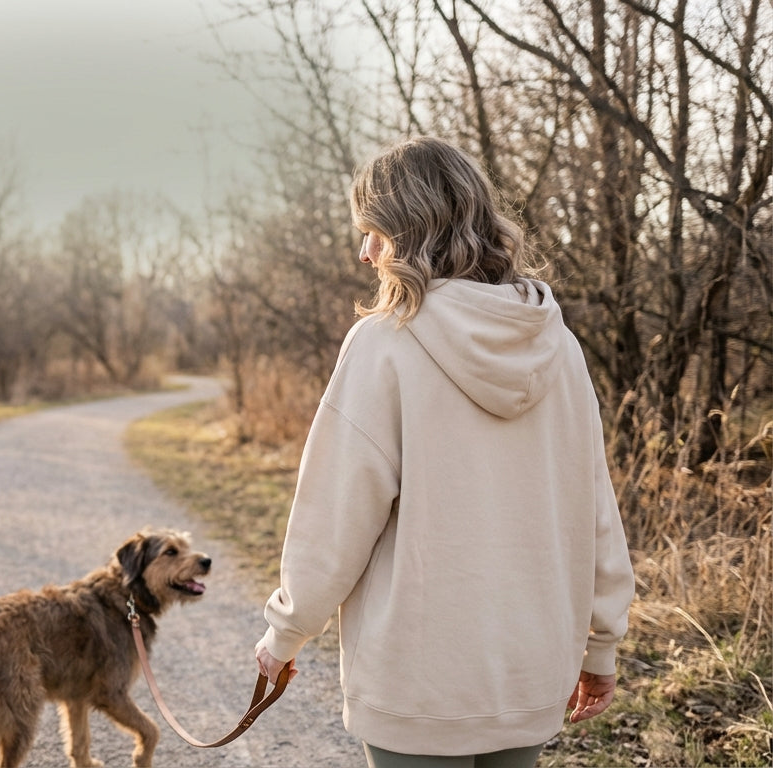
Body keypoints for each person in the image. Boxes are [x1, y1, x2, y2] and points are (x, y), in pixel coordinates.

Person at [252, 136, 635, 768]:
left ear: (409, 230)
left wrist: (286, 632)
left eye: (373, 231)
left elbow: (337, 514)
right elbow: (594, 506)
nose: (363, 251)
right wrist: (601, 644)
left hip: (417, 684)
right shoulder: (556, 343)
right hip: (530, 669)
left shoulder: (385, 343)